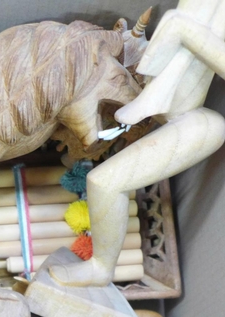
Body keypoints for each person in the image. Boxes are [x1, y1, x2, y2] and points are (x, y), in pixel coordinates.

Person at [50, 0, 225, 286]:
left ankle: (101, 269)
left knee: (103, 183)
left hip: (197, 123)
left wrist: (183, 30)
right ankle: (150, 97)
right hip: (169, 105)